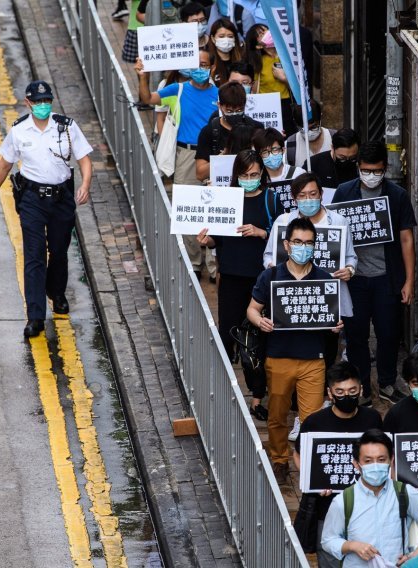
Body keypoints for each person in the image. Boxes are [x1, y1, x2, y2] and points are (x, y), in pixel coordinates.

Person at [0, 80, 93, 337]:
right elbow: (4, 165)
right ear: (28, 103)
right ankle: (35, 316)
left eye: (47, 102)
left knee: (58, 250)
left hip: (61, 198)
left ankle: (56, 292)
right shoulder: (19, 131)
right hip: (32, 199)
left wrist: (86, 184)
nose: (43, 106)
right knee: (34, 257)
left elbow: (84, 159)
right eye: (38, 102)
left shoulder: (66, 127)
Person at [246, 217, 343, 483]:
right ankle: (279, 460)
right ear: (287, 245)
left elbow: (334, 318)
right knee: (277, 416)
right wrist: (260, 320)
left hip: (314, 359)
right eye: (298, 242)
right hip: (278, 358)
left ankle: (307, 464)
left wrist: (336, 326)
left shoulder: (324, 279)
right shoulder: (271, 275)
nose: (303, 247)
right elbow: (252, 309)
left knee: (311, 420)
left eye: (309, 243)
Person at [197, 150, 281, 420]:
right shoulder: (226, 200)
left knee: (258, 340)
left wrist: (261, 232)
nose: (249, 179)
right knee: (228, 334)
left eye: (254, 175)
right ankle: (224, 392)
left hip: (261, 278)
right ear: (236, 176)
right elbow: (216, 240)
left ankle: (257, 397)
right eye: (244, 175)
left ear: (262, 174)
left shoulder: (271, 199)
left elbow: (283, 236)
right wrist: (206, 240)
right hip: (231, 277)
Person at [332, 141, 417, 405]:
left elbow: (406, 240)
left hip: (386, 279)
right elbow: (333, 233)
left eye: (377, 171)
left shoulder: (397, 195)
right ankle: (362, 389)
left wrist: (409, 280)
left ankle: (387, 384)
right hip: (353, 280)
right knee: (356, 336)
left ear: (385, 169)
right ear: (358, 168)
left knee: (389, 334)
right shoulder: (344, 192)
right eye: (366, 170)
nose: (371, 175)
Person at [136, 50, 219, 278]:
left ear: (212, 68)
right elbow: (147, 99)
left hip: (215, 159)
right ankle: (194, 262)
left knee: (215, 212)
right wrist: (143, 77)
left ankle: (214, 267)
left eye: (204, 64)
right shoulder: (178, 90)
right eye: (195, 64)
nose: (199, 69)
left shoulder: (220, 95)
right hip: (186, 157)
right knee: (188, 211)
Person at [293, 361, 383, 567]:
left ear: (361, 389)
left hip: (367, 504)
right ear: (330, 393)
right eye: (340, 392)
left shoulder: (373, 418)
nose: (347, 396)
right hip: (327, 507)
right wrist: (312, 479)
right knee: (330, 557)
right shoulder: (314, 422)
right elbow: (298, 455)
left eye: (352, 390)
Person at [321, 429, 418, 567]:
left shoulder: (405, 493)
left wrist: (414, 555)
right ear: (356, 464)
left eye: (381, 459)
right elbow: (328, 540)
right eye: (368, 461)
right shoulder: (343, 501)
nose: (375, 465)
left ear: (391, 459)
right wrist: (352, 545)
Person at [195, 81, 264, 182]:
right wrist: (222, 158)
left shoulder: (256, 128)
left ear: (245, 104)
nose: (235, 114)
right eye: (230, 111)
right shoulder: (209, 132)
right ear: (219, 105)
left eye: (239, 110)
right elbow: (200, 174)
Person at [248, 27, 298, 135]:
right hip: (266, 106)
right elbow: (254, 90)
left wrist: (284, 79)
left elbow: (298, 88)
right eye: (261, 34)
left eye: (266, 30)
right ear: (258, 45)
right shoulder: (258, 62)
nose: (267, 33)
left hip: (286, 104)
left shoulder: (287, 57)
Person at [286, 100, 334, 169]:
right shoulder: (290, 146)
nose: (308, 132)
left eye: (313, 127)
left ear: (320, 118)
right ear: (296, 123)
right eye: (303, 129)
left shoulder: (334, 138)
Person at [207, 18, 244, 87]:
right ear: (213, 38)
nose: (226, 40)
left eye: (230, 36)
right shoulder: (208, 62)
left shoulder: (242, 59)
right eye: (221, 36)